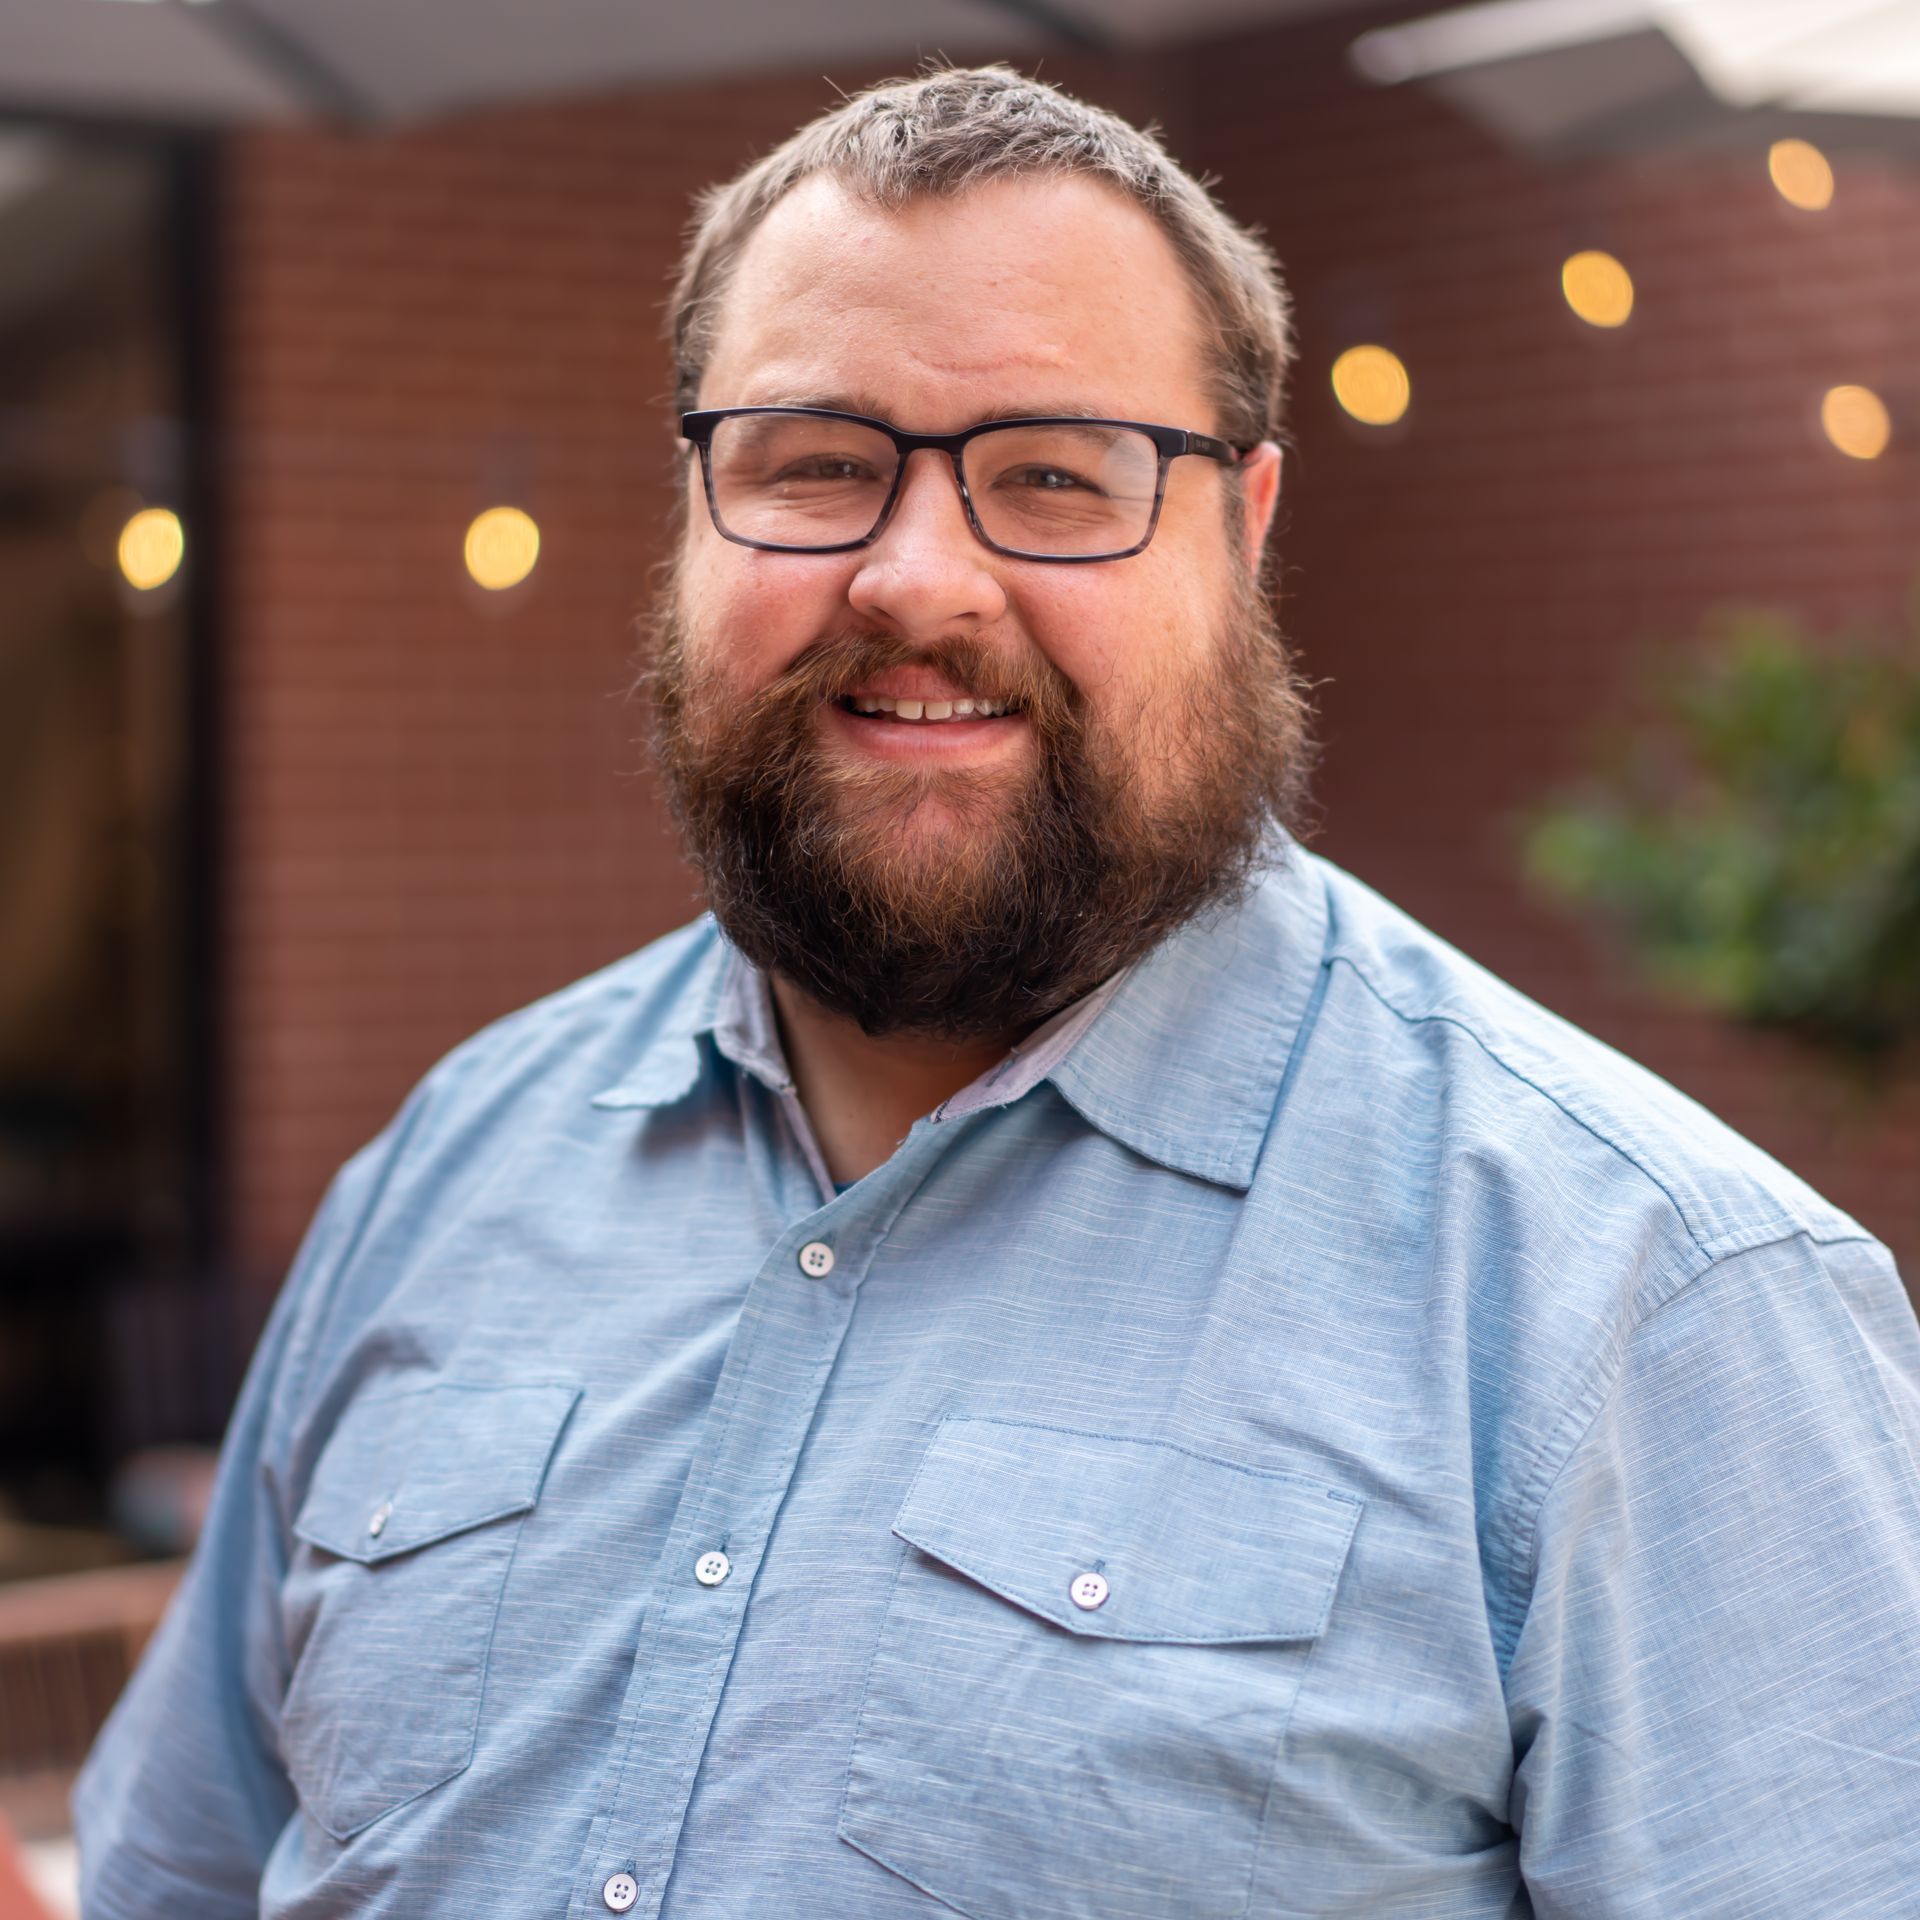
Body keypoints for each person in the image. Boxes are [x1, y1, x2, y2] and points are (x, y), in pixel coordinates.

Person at [75, 65, 1920, 1920]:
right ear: (697, 508)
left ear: (1243, 529)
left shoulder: (1644, 1302)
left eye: (1052, 474)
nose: (916, 579)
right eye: (815, 462)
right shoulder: (449, 1169)